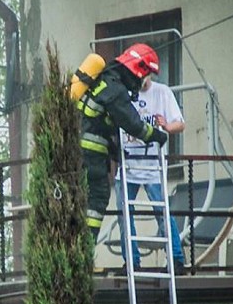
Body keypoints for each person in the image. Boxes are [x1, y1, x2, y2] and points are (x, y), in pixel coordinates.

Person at [76, 43, 168, 240]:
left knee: (79, 202)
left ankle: (77, 247)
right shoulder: (116, 90)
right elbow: (135, 125)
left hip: (78, 153)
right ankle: (84, 248)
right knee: (97, 200)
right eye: (144, 75)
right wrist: (159, 136)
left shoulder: (103, 80)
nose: (142, 81)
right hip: (91, 157)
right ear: (138, 69)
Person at [114, 77, 187, 274]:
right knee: (124, 215)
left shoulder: (162, 92)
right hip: (128, 165)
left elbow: (180, 124)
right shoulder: (124, 93)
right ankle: (131, 261)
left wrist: (166, 127)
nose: (139, 79)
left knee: (162, 213)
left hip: (153, 166)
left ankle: (176, 259)